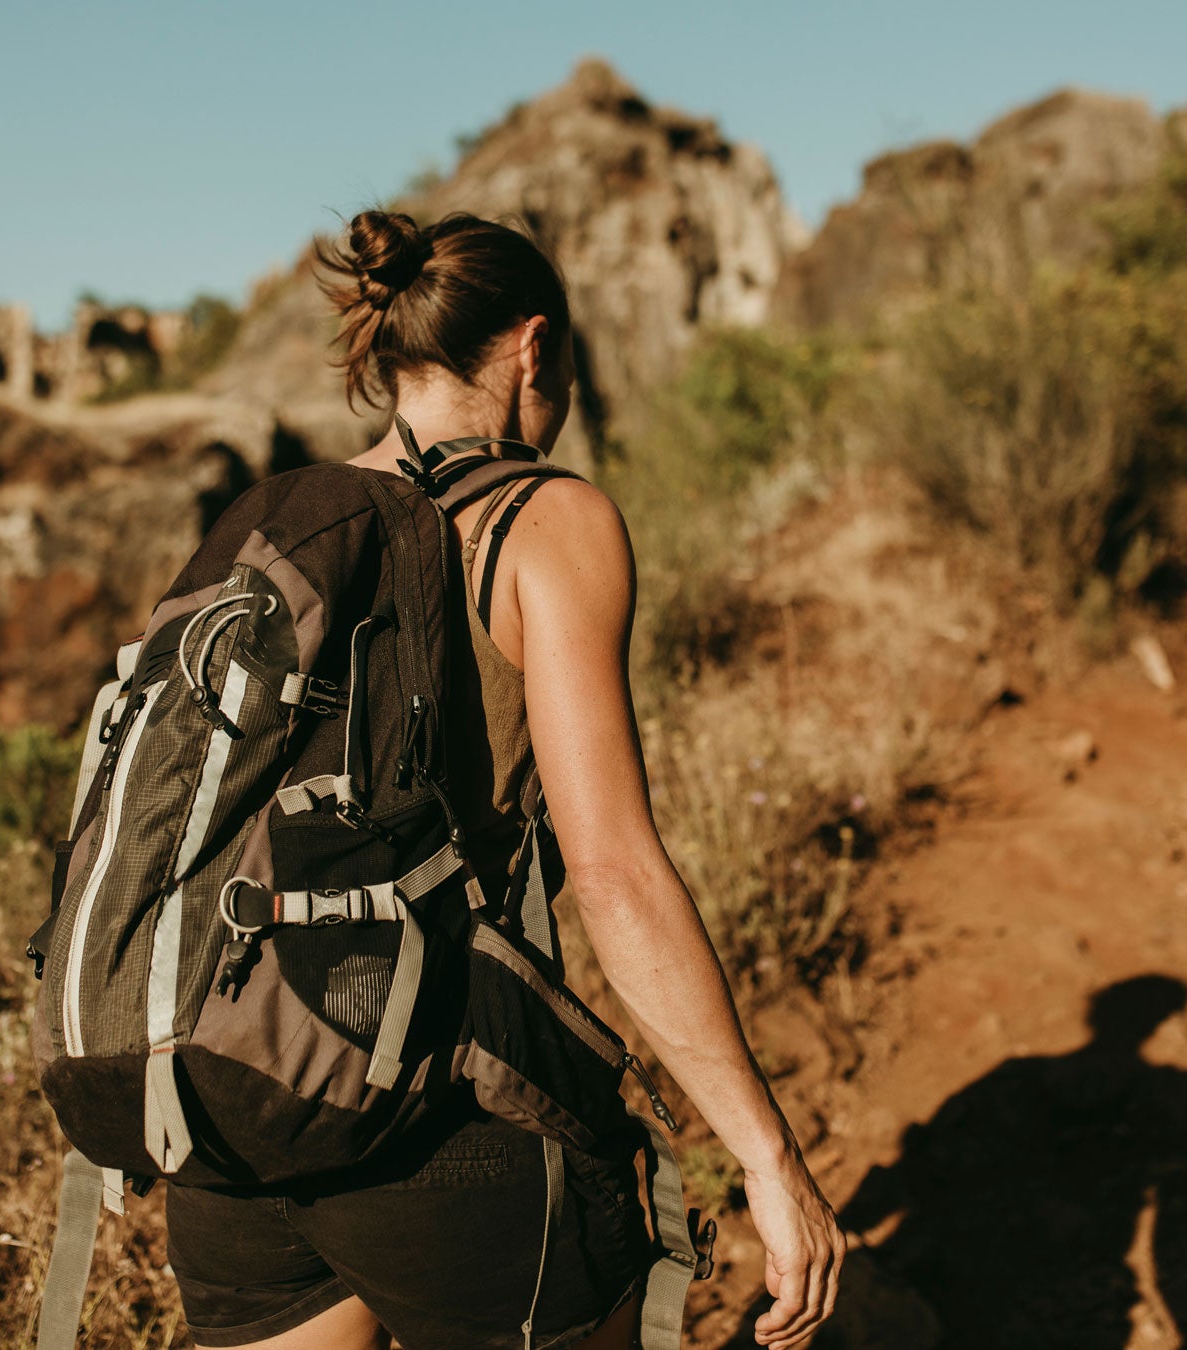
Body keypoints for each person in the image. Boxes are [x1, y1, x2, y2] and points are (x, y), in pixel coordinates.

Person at [158, 208, 845, 1350]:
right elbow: (615, 876)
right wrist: (770, 1160)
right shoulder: (545, 522)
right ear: (534, 350)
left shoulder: (278, 529)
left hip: (233, 1095)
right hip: (439, 1108)